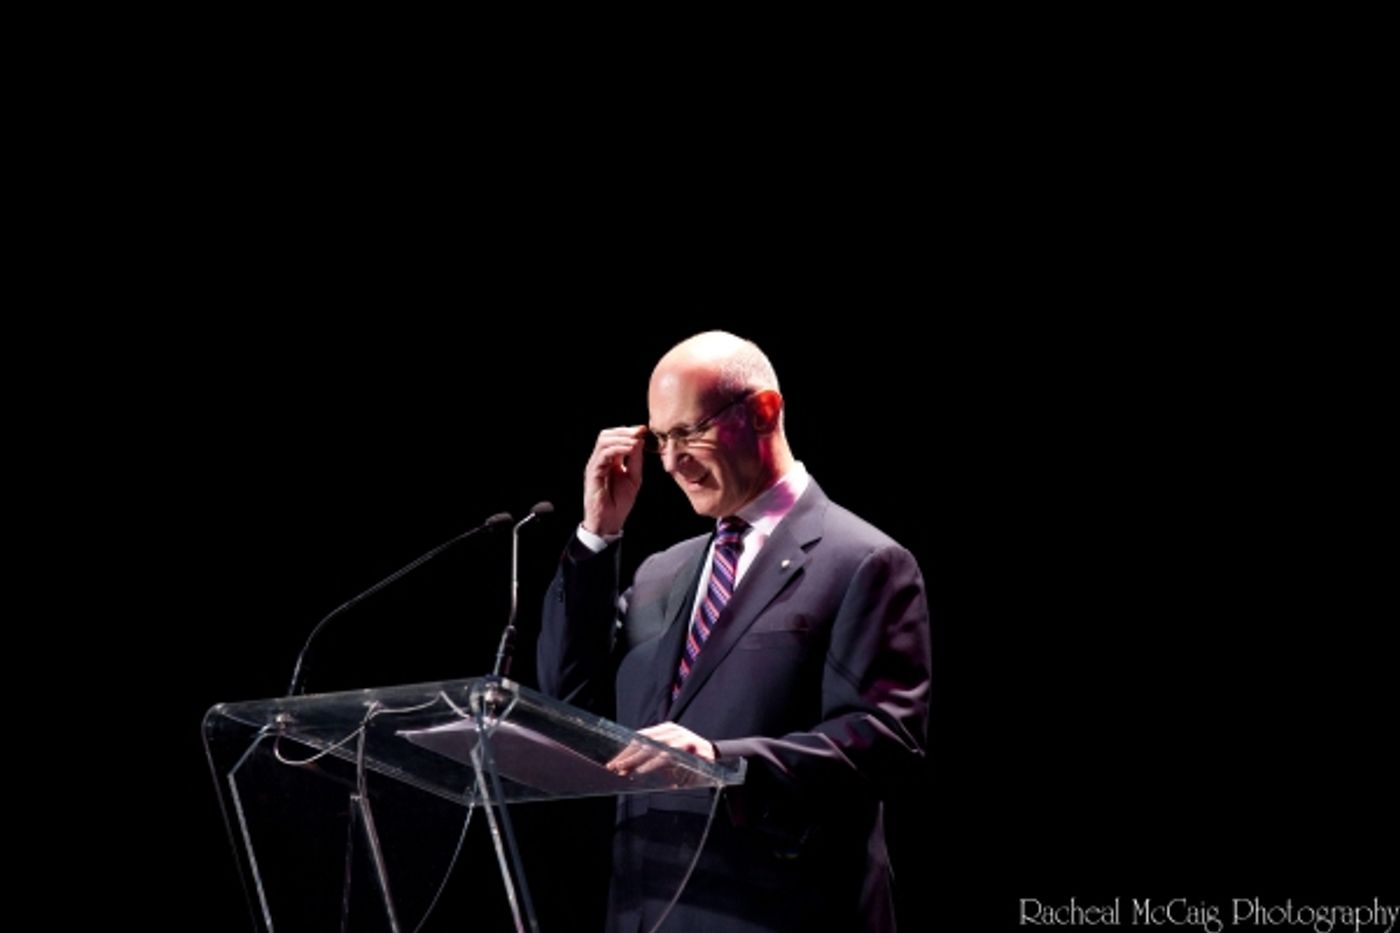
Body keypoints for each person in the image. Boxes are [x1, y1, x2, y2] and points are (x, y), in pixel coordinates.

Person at [536, 331, 930, 933]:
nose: (671, 462)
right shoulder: (660, 572)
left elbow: (883, 744)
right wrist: (598, 535)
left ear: (764, 412)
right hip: (648, 906)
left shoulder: (864, 561)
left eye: (689, 432)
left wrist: (724, 762)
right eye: (660, 439)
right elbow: (569, 701)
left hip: (778, 911)